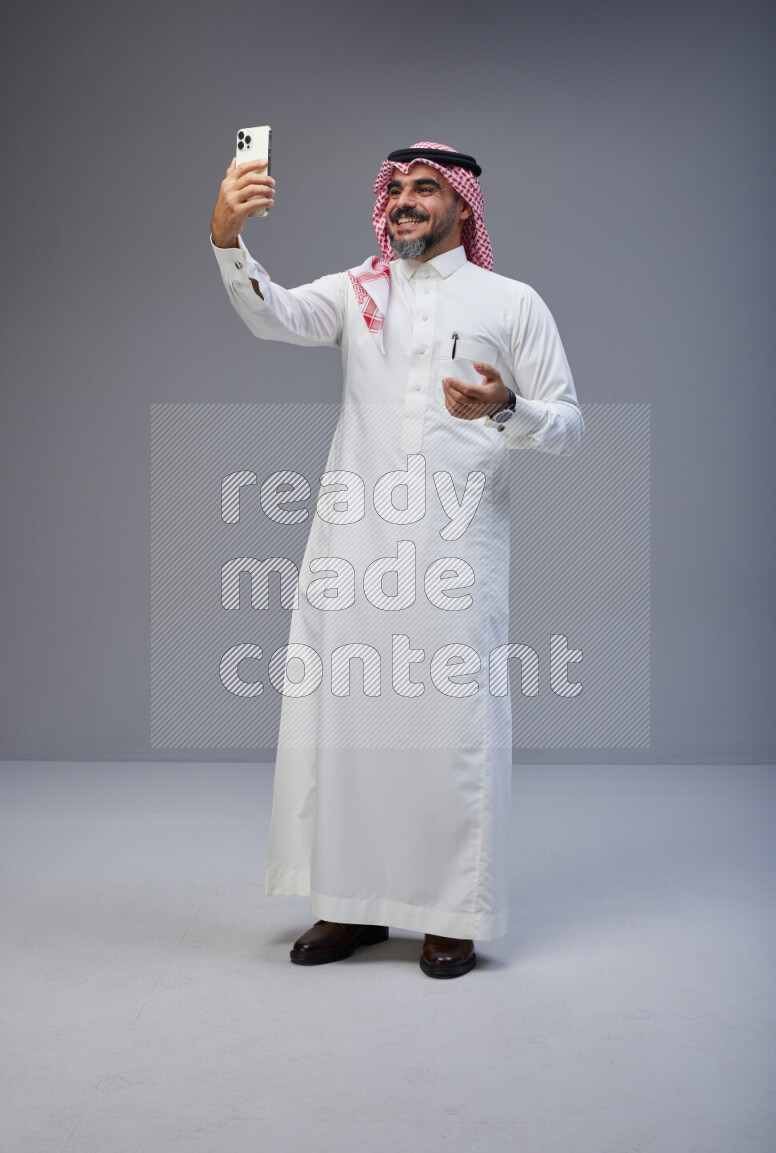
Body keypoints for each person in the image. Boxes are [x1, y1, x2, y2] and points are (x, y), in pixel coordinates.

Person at [210, 141, 583, 979]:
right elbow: (276, 314)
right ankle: (349, 904)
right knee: (348, 726)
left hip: (456, 552)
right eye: (397, 189)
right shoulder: (359, 290)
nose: (405, 201)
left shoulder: (511, 302)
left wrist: (506, 407)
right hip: (355, 547)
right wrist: (228, 240)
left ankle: (451, 914)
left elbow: (568, 425)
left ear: (463, 206)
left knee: (450, 731)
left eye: (425, 189)